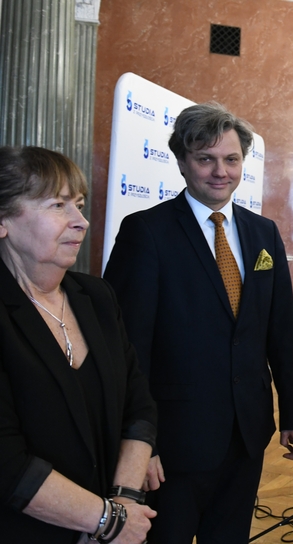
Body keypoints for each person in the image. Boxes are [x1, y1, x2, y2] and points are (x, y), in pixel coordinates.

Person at [103, 102, 293, 543]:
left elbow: (279, 332)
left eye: (231, 159)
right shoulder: (146, 232)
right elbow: (125, 347)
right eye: (206, 159)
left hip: (247, 432)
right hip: (175, 442)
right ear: (181, 162)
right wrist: (140, 444)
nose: (221, 171)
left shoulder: (263, 233)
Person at [0, 147, 157, 542]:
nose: (81, 221)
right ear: (3, 220)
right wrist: (108, 521)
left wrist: (121, 502)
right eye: (58, 205)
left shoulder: (97, 296)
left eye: (80, 205)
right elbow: (6, 462)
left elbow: (138, 407)